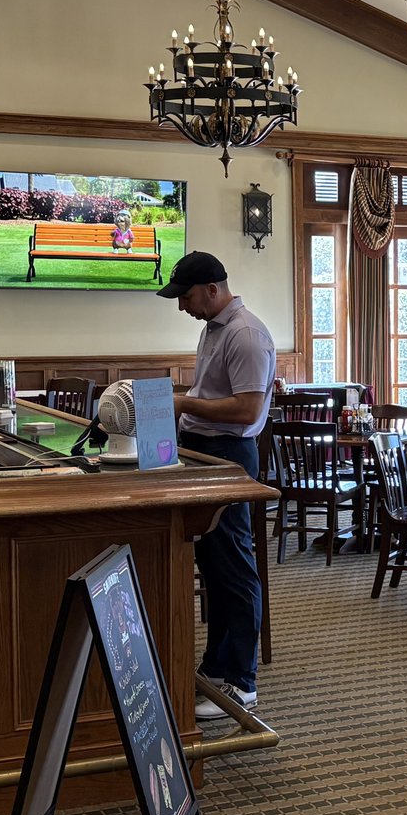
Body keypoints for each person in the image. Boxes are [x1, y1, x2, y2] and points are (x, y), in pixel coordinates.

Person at [158, 251, 274, 720]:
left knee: (234, 568)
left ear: (212, 289)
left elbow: (246, 411)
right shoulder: (214, 328)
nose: (182, 307)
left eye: (185, 297)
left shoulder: (245, 334)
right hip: (204, 453)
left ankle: (242, 682)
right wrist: (185, 406)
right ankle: (217, 667)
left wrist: (183, 404)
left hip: (228, 457)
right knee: (215, 564)